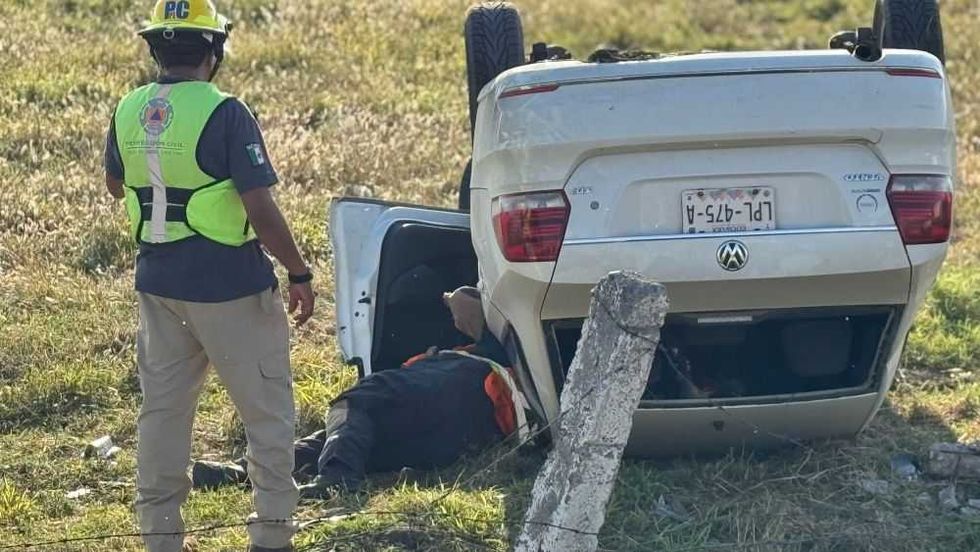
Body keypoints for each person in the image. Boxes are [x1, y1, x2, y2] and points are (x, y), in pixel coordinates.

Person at [103, 2, 313, 551]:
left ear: (155, 48)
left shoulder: (129, 107)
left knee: (163, 415)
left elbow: (116, 183)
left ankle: (160, 538)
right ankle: (272, 536)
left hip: (159, 286)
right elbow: (260, 208)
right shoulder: (227, 112)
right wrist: (299, 271)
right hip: (231, 287)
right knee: (267, 415)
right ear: (213, 51)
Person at [191, 287, 528, 498]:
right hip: (462, 435)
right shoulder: (513, 353)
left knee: (355, 403)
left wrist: (451, 299)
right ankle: (245, 472)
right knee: (351, 436)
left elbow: (469, 302)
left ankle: (336, 479)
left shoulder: (482, 350)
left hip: (461, 389)